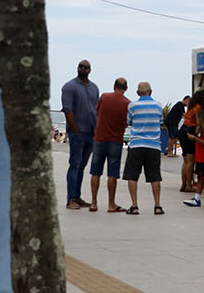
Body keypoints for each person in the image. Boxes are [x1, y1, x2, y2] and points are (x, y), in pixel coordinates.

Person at [60, 59, 99, 210]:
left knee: (82, 166)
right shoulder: (69, 87)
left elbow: (96, 110)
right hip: (78, 132)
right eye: (81, 66)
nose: (83, 69)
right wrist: (75, 130)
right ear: (77, 68)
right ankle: (71, 199)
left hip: (91, 132)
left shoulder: (94, 88)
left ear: (90, 70)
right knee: (74, 165)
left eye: (86, 67)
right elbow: (67, 110)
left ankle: (77, 196)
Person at [122, 81, 165, 215]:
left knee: (132, 176)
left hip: (136, 145)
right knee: (155, 177)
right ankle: (157, 205)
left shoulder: (132, 106)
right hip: (154, 146)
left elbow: (129, 122)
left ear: (137, 93)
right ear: (150, 92)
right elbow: (161, 121)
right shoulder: (158, 106)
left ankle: (134, 206)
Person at [89, 77, 131, 213]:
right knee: (112, 173)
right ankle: (111, 204)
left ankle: (94, 203)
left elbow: (97, 111)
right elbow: (128, 121)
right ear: (126, 88)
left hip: (100, 138)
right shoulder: (127, 103)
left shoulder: (104, 97)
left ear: (114, 86)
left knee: (95, 172)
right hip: (116, 141)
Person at [179, 88, 204, 193]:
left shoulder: (191, 106)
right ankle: (189, 185)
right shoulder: (199, 108)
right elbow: (198, 122)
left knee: (185, 161)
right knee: (191, 162)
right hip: (190, 130)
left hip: (183, 130)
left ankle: (183, 185)